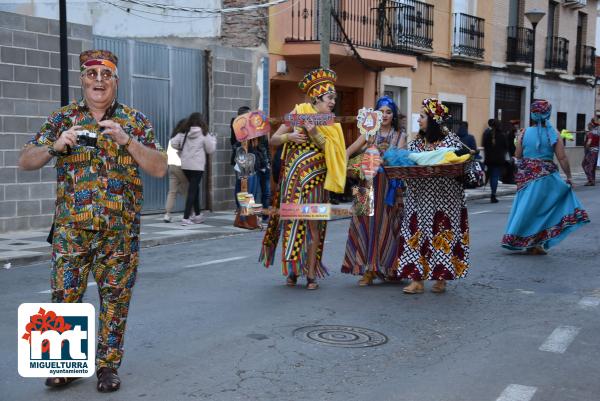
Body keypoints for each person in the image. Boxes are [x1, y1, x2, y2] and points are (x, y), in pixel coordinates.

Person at [18, 50, 167, 392]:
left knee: (115, 299)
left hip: (120, 231)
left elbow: (159, 168)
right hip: (71, 229)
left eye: (106, 74)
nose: (98, 80)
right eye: (92, 74)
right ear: (82, 80)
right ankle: (63, 365)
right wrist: (55, 147)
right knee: (65, 295)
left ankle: (107, 366)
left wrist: (127, 141)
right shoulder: (62, 118)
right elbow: (25, 160)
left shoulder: (136, 120)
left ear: (116, 81)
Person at [260, 67, 346, 290]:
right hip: (293, 183)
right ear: (317, 97)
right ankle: (292, 272)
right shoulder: (298, 113)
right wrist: (291, 136)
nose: (333, 101)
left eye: (334, 98)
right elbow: (273, 140)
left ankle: (310, 274)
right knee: (293, 225)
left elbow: (334, 151)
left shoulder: (330, 122)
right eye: (330, 97)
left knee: (314, 227)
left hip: (317, 183)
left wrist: (315, 133)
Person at [396, 98, 470, 294]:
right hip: (418, 200)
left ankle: (441, 277)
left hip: (445, 201)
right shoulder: (416, 144)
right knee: (414, 237)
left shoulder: (451, 142)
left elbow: (464, 165)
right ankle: (416, 280)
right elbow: (406, 167)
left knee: (441, 237)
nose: (418, 120)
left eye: (422, 116)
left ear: (433, 119)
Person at [502, 100, 590, 254]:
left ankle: (525, 241)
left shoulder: (523, 133)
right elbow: (562, 158)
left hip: (526, 178)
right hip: (547, 178)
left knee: (527, 209)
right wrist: (569, 176)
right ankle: (535, 243)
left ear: (533, 114)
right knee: (544, 209)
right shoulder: (553, 133)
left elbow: (517, 156)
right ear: (548, 114)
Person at [341, 96, 406, 285]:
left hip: (388, 187)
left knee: (386, 225)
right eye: (381, 111)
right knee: (362, 224)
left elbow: (398, 160)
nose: (384, 115)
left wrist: (379, 156)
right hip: (364, 185)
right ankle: (367, 269)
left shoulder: (400, 136)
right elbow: (348, 151)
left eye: (388, 112)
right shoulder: (369, 133)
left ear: (393, 115)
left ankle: (390, 267)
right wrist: (343, 165)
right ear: (375, 114)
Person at [171, 112, 217, 225]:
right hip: (197, 166)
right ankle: (186, 217)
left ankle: (197, 215)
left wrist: (182, 149)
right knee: (192, 191)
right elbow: (210, 150)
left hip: (186, 165)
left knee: (194, 189)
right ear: (201, 121)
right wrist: (214, 140)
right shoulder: (204, 134)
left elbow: (173, 143)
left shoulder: (185, 132)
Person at [230, 106, 271, 222]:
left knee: (249, 191)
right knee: (244, 190)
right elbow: (234, 143)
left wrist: (266, 163)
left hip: (254, 162)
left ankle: (246, 216)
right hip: (244, 162)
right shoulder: (238, 129)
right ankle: (244, 215)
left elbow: (264, 146)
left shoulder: (256, 130)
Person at [163, 118, 189, 222]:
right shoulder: (184, 138)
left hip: (171, 166)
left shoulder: (172, 138)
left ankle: (167, 214)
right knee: (188, 188)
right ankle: (190, 213)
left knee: (171, 191)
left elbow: (168, 153)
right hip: (180, 166)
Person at [483, 119, 508, 203]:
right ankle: (493, 194)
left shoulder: (487, 135)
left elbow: (485, 146)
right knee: (495, 177)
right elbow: (506, 147)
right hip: (499, 160)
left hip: (489, 159)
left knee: (491, 176)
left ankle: (492, 193)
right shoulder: (502, 135)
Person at [582, 115, 599, 186]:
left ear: (591, 125)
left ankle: (590, 180)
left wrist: (586, 149)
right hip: (596, 151)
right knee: (592, 167)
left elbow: (589, 142)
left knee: (585, 165)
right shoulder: (597, 132)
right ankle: (593, 180)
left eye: (589, 124)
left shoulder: (591, 133)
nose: (588, 125)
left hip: (591, 151)